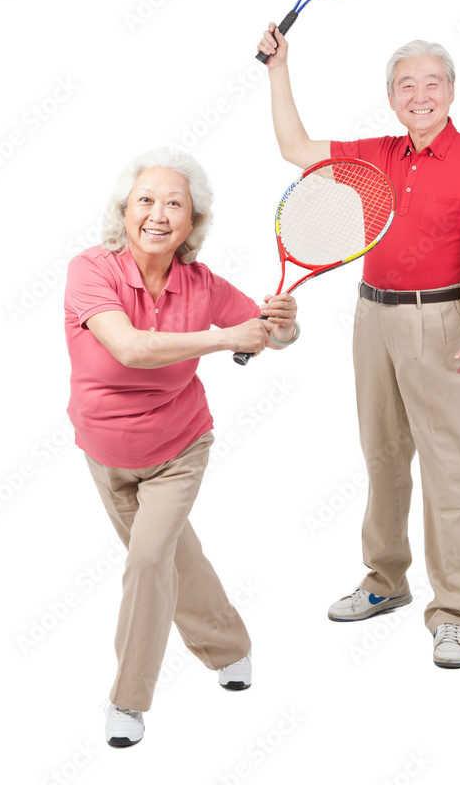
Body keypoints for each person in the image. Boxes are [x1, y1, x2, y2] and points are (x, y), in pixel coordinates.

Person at [257, 25, 460, 669]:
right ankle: (386, 581)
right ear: (392, 99)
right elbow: (295, 147)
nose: (420, 94)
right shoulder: (377, 154)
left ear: (452, 91)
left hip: (445, 322)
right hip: (372, 317)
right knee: (383, 457)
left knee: (451, 471)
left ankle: (454, 612)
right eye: (407, 85)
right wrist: (278, 68)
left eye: (432, 82)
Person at [64, 147, 298, 745]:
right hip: (104, 452)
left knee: (146, 561)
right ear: (125, 210)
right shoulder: (91, 270)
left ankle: (127, 702)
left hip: (178, 448)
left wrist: (283, 324)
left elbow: (268, 333)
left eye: (176, 203)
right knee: (173, 557)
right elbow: (132, 349)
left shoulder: (203, 284)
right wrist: (226, 338)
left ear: (193, 221)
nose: (159, 214)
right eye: (146, 200)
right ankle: (231, 648)